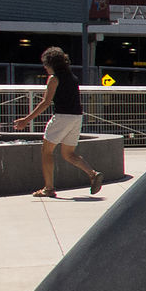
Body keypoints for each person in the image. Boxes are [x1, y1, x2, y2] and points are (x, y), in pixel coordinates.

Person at [14, 46, 102, 198]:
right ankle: (92, 173)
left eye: (46, 64)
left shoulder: (54, 79)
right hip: (76, 117)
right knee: (68, 154)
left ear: (51, 63)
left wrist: (26, 120)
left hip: (62, 117)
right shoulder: (72, 77)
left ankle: (49, 188)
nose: (45, 67)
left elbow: (46, 102)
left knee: (46, 151)